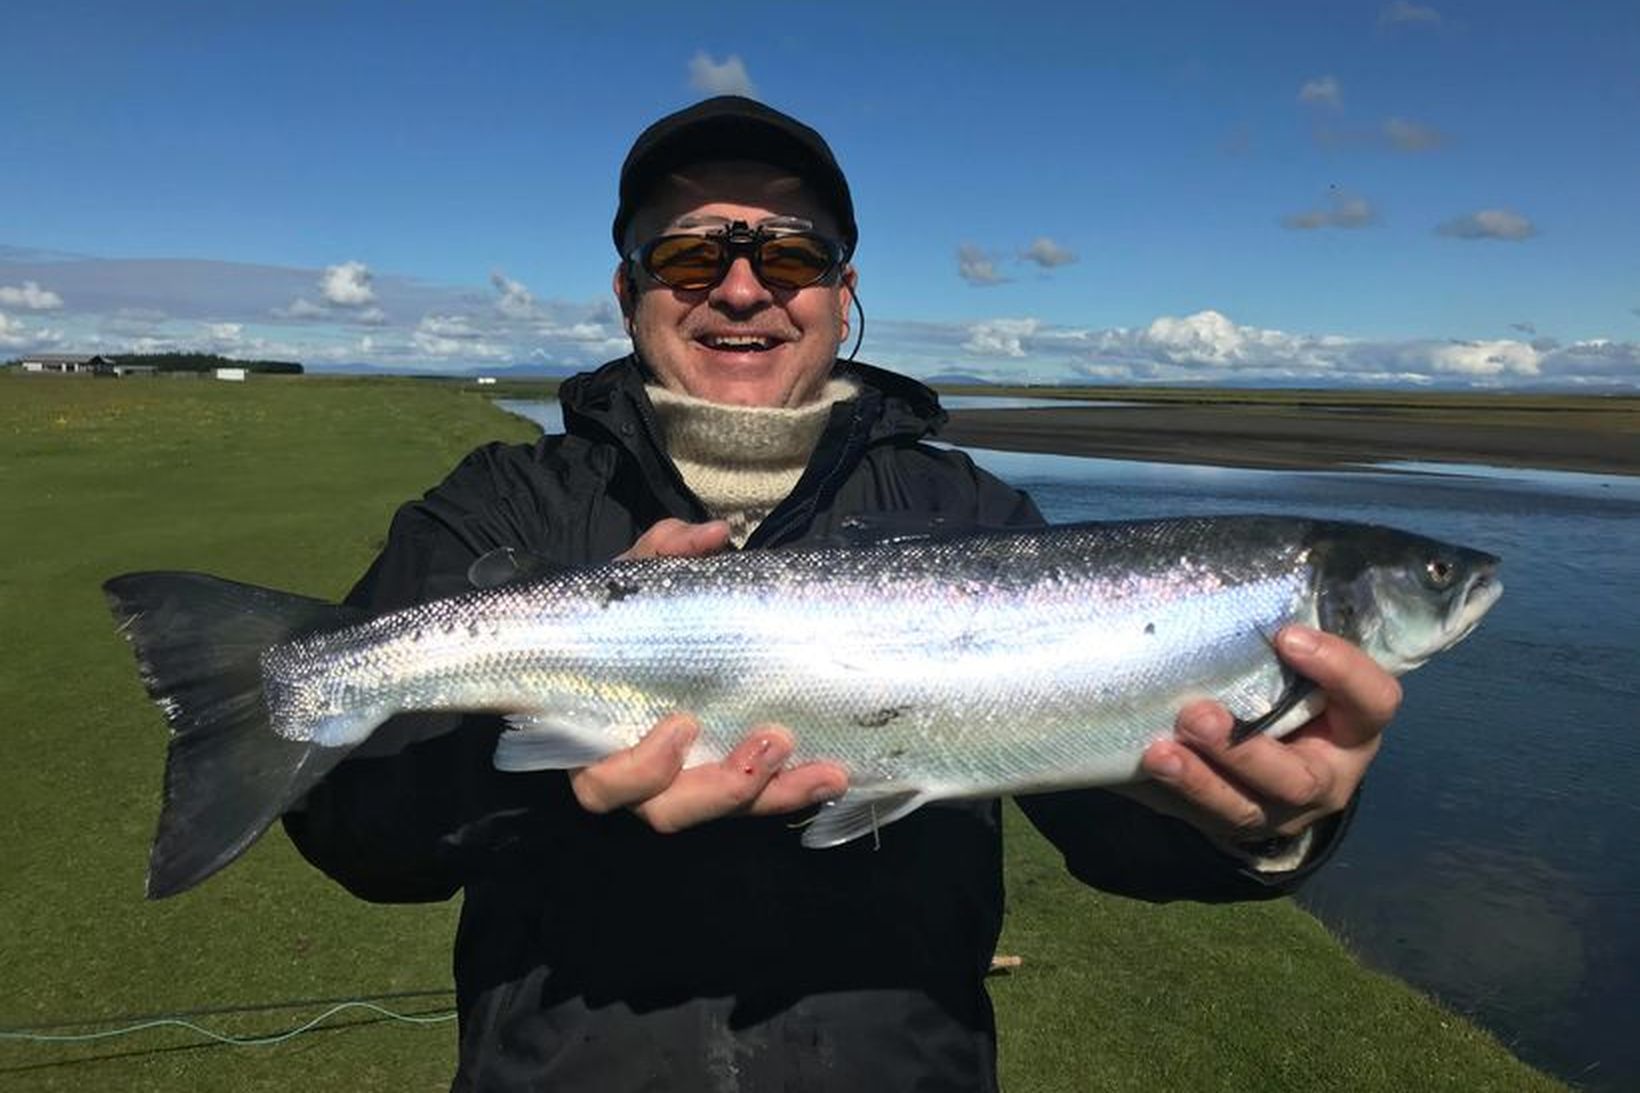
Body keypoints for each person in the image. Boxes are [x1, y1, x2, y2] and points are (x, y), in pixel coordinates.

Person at [284, 96, 1400, 1091]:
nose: (739, 288)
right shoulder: (502, 509)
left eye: (787, 256)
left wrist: (1269, 825)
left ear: (839, 291)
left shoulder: (974, 520)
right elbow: (353, 825)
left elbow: (1117, 826)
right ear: (628, 292)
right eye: (687, 257)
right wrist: (552, 782)